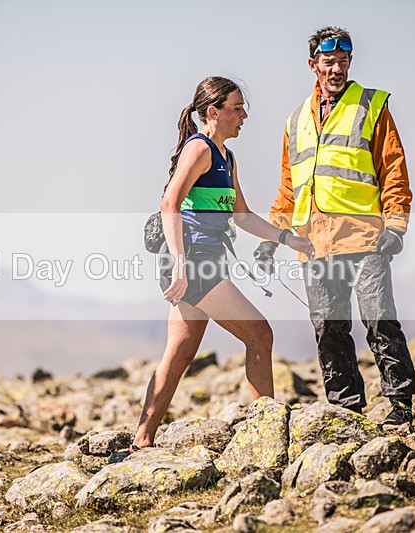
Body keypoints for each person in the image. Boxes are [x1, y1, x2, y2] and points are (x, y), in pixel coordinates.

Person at [130, 77, 315, 452]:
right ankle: (267, 437)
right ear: (213, 112)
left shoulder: (226, 157)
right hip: (193, 262)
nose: (245, 114)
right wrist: (180, 265)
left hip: (201, 261)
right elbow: (170, 204)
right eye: (237, 107)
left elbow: (243, 216)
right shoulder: (198, 149)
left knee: (180, 351)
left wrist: (286, 238)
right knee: (259, 335)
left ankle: (142, 440)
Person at [253, 27, 415, 425]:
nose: (337, 68)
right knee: (329, 327)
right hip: (314, 244)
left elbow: (392, 168)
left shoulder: (371, 106)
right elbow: (289, 188)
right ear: (313, 65)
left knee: (380, 320)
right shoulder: (296, 122)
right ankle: (346, 408)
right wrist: (272, 238)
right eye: (329, 61)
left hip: (365, 238)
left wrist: (395, 226)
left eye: (343, 60)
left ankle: (400, 404)